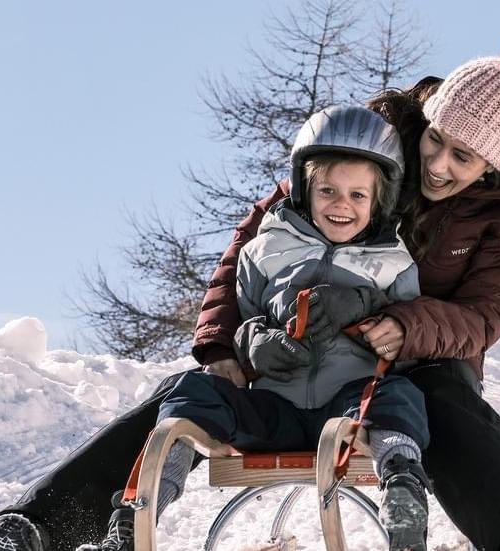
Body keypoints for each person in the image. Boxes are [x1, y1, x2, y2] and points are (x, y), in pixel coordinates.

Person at [0, 37, 500, 551]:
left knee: (443, 395)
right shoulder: (360, 157)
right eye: (435, 141)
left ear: (494, 165)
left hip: (400, 367)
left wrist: (410, 325)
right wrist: (220, 344)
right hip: (290, 352)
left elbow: (487, 313)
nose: (438, 164)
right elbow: (248, 248)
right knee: (186, 397)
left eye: (464, 157)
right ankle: (39, 526)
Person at [75, 104, 432, 551]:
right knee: (191, 389)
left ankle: (402, 488)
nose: (342, 205)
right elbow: (244, 319)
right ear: (304, 189)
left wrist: (370, 315)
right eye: (328, 191)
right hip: (273, 408)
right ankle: (134, 517)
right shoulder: (265, 249)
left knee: (400, 396)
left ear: (379, 199)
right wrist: (254, 342)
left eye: (358, 195)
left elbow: (411, 345)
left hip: (350, 411)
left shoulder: (394, 264)